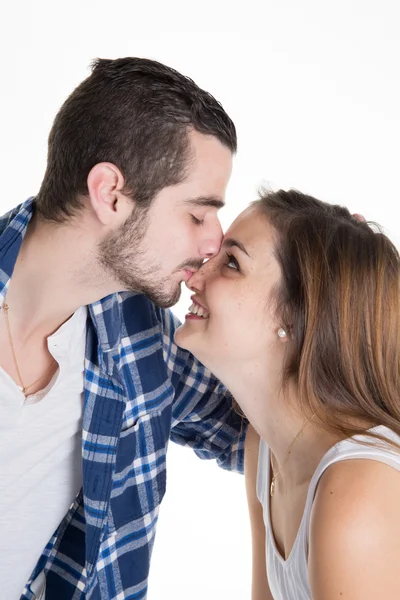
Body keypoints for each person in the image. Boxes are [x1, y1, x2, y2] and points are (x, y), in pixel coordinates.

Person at [0, 57, 247, 599]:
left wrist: (325, 288)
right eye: (197, 213)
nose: (214, 243)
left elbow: (276, 434)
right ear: (109, 192)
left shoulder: (138, 332)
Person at [175, 189, 400, 599]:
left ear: (295, 319)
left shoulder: (358, 492)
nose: (195, 274)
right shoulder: (264, 447)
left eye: (231, 263)